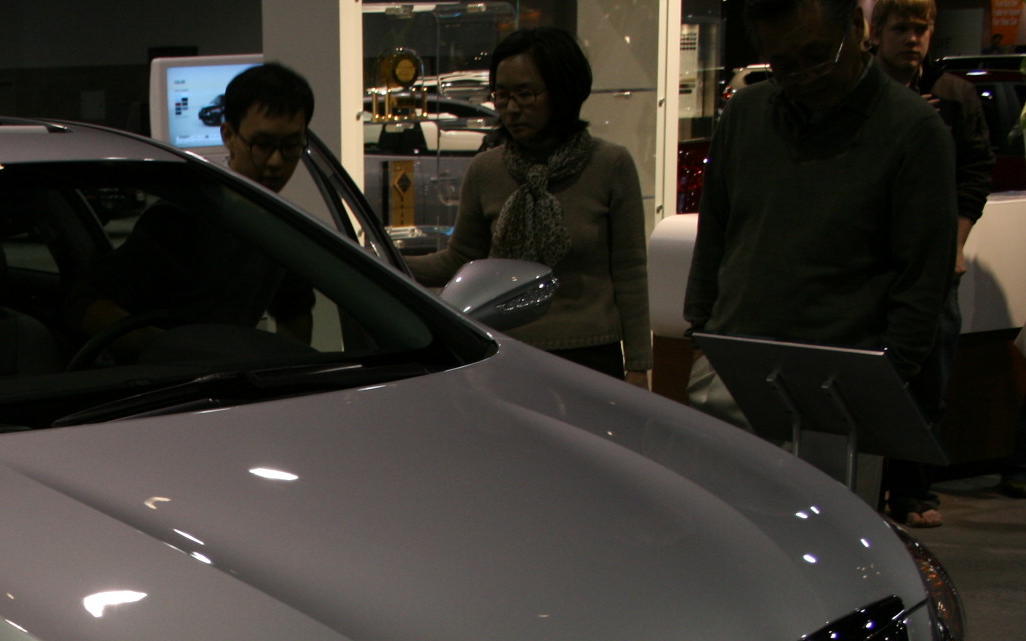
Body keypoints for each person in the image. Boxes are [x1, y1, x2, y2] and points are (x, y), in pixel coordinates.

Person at [683, 0, 957, 503]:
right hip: (732, 366)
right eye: (783, 65)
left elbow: (922, 279)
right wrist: (701, 332)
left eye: (816, 56)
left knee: (826, 563)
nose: (803, 77)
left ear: (856, 28)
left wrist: (887, 376)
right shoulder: (746, 113)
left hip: (839, 391)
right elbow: (716, 234)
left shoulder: (913, 130)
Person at [404, 27, 650, 386]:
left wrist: (640, 365)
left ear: (563, 91)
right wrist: (383, 263)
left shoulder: (610, 164)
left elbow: (630, 271)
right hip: (505, 354)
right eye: (501, 96)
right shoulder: (487, 168)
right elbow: (460, 261)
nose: (511, 109)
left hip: (590, 357)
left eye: (525, 94)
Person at [72, 63, 316, 358]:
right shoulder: (181, 218)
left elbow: (294, 313)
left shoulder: (280, 227)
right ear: (228, 135)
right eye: (262, 145)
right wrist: (175, 354)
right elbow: (89, 306)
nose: (276, 162)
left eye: (290, 146)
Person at [869, 0, 993, 527]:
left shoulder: (955, 96)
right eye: (901, 29)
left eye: (921, 29)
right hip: (872, 261)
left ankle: (914, 493)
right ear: (876, 33)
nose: (913, 39)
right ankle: (867, 491)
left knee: (928, 379)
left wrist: (957, 243)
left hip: (935, 263)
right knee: (869, 378)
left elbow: (974, 176)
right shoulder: (860, 93)